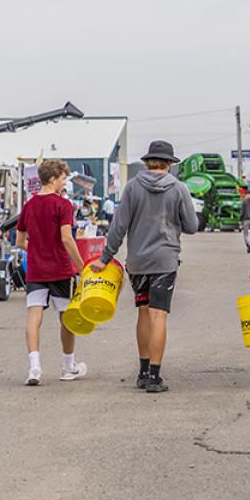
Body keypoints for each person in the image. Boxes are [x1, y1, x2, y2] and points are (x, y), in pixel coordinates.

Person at [90, 141, 198, 393]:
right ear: (169, 163)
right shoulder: (179, 189)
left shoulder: (132, 187)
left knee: (143, 313)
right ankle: (154, 376)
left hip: (138, 262)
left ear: (149, 161)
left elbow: (119, 226)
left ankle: (142, 370)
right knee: (159, 315)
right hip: (165, 261)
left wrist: (105, 258)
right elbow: (192, 225)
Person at [15, 160, 88, 386]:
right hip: (59, 269)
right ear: (53, 179)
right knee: (66, 317)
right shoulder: (63, 205)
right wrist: (81, 266)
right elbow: (67, 238)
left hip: (36, 270)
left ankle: (34, 367)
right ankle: (68, 367)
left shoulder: (29, 205)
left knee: (34, 316)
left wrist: (36, 250)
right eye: (63, 178)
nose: (64, 182)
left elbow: (20, 241)